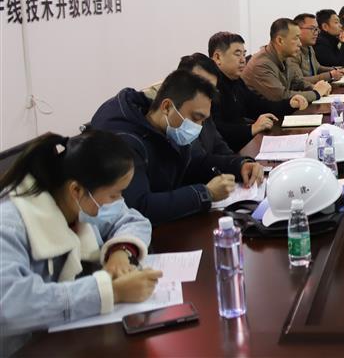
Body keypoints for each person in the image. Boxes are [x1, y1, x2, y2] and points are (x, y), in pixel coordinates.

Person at [0, 130, 162, 354]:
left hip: (69, 339)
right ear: (76, 190)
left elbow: (132, 220)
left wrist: (120, 252)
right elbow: (11, 305)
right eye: (114, 195)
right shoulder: (9, 225)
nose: (118, 201)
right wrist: (111, 292)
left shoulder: (76, 201)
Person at [91, 69, 264, 224]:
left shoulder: (166, 128)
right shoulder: (125, 142)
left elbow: (195, 162)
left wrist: (239, 165)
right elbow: (140, 207)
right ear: (167, 107)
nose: (199, 127)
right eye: (195, 118)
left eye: (203, 120)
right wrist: (205, 194)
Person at [208, 32, 308, 153]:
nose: (243, 60)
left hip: (239, 146)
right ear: (218, 57)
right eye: (237, 54)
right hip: (225, 153)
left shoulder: (236, 81)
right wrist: (252, 129)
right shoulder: (210, 86)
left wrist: (290, 104)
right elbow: (216, 130)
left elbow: (259, 105)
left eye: (244, 54)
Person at [243, 18, 330, 104]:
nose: (300, 44)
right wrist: (316, 93)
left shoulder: (286, 57)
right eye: (296, 38)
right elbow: (281, 96)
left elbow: (297, 82)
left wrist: (314, 87)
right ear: (280, 41)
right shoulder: (261, 64)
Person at [292, 13, 344, 84]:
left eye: (316, 29)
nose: (316, 33)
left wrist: (338, 70)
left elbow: (318, 68)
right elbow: (298, 81)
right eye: (312, 28)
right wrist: (330, 75)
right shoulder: (292, 51)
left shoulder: (309, 47)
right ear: (297, 30)